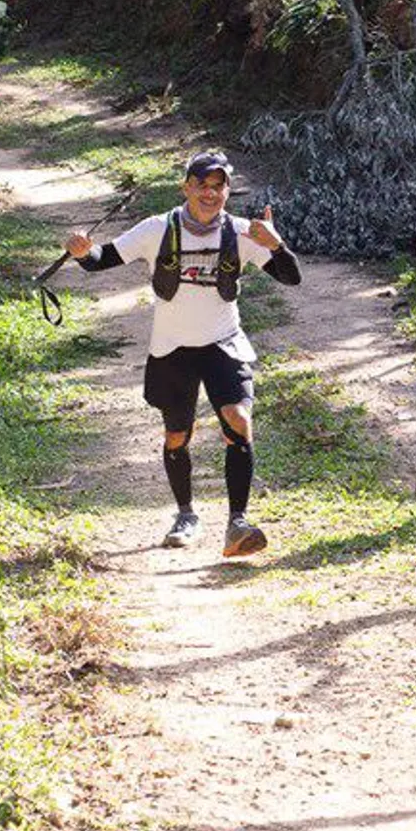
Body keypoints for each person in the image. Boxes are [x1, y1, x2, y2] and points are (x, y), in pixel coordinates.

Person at [63, 152, 302, 556]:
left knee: (238, 420)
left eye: (218, 186)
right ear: (186, 187)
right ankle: (186, 514)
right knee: (178, 435)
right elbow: (103, 260)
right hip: (171, 348)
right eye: (202, 185)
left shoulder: (244, 232)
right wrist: (83, 250)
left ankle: (237, 523)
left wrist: (274, 244)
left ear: (227, 190)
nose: (210, 194)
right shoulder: (158, 228)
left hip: (223, 343)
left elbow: (291, 277)